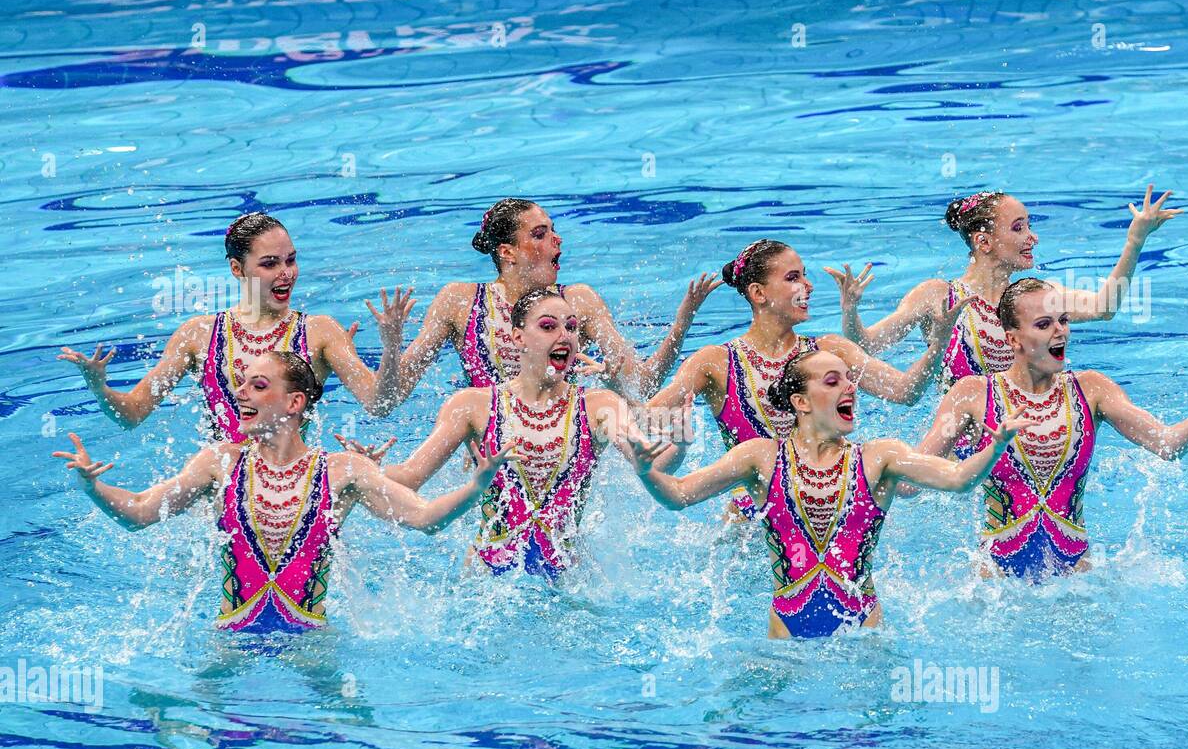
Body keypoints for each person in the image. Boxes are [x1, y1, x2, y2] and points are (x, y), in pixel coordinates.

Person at [52, 351, 513, 632]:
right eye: (240, 383)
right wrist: (94, 486)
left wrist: (477, 485)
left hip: (313, 641)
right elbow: (138, 513)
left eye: (257, 385)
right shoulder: (219, 463)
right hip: (229, 637)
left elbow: (426, 518)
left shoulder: (343, 472)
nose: (240, 393)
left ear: (294, 403)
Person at [628, 350, 1032, 637]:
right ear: (801, 401)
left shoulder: (880, 458)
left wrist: (994, 448)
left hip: (866, 636)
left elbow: (959, 478)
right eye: (832, 381)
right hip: (786, 636)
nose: (850, 388)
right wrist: (649, 472)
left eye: (849, 379)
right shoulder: (760, 458)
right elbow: (678, 495)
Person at [913, 277, 1188, 580]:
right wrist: (882, 465)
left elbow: (1168, 445)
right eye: (1044, 324)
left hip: (1077, 579)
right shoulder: (973, 394)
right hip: (994, 583)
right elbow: (915, 482)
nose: (1060, 331)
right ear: (1013, 339)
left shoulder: (1092, 388)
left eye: (1063, 320)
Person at [646, 238, 965, 517]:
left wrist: (938, 345)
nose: (808, 286)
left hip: (832, 510)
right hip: (751, 529)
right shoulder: (715, 362)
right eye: (792, 277)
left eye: (805, 276)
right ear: (758, 293)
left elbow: (904, 391)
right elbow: (646, 420)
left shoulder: (830, 351)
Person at [361, 287, 642, 578]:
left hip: (568, 577)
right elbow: (410, 477)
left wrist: (620, 390)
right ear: (517, 337)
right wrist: (367, 471)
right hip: (488, 579)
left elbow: (657, 467)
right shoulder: (472, 406)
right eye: (549, 326)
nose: (564, 335)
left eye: (571, 327)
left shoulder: (599, 405)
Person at [58, 211, 413, 441]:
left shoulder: (320, 332)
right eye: (270, 263)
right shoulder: (198, 336)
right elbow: (133, 414)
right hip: (221, 483)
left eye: (291, 260)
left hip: (293, 482)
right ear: (237, 269)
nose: (286, 273)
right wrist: (99, 387)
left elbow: (379, 404)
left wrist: (391, 347)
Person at [840, 185, 1183, 393]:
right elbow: (868, 344)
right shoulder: (937, 296)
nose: (1032, 237)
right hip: (961, 439)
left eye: (1029, 226)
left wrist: (1134, 241)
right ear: (984, 241)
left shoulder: (1032, 297)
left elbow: (1103, 308)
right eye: (1019, 228)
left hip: (1024, 437)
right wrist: (850, 311)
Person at [387, 197, 719, 401]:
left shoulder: (579, 302)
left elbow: (643, 387)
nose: (556, 239)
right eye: (539, 234)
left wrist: (681, 325)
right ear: (507, 252)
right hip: (489, 465)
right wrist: (391, 346)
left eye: (552, 230)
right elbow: (390, 397)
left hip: (561, 455)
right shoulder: (460, 302)